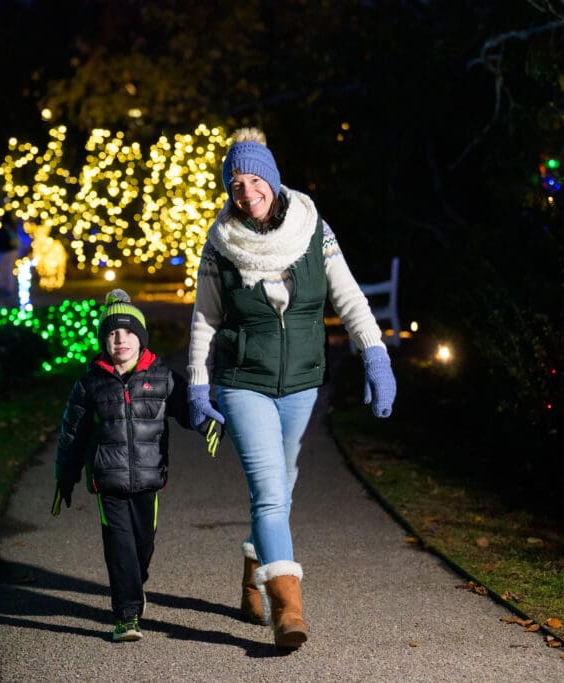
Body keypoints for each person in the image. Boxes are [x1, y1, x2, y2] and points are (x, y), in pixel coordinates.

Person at [186, 127, 397, 650]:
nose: (247, 192)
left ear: (273, 181)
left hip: (302, 382)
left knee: (284, 485)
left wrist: (375, 356)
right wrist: (198, 384)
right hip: (243, 381)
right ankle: (287, 611)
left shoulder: (313, 229)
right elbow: (204, 319)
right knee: (269, 492)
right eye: (236, 185)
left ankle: (252, 577)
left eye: (255, 180)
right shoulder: (220, 244)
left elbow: (348, 297)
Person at [52, 289, 211, 642]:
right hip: (108, 481)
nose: (120, 339)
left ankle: (135, 586)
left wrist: (210, 423)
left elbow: (189, 410)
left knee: (142, 546)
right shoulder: (90, 383)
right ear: (103, 341)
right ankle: (126, 615)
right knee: (119, 546)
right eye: (111, 333)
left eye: (127, 332)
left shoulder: (162, 377)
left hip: (148, 479)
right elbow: (72, 433)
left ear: (141, 337)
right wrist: (65, 474)